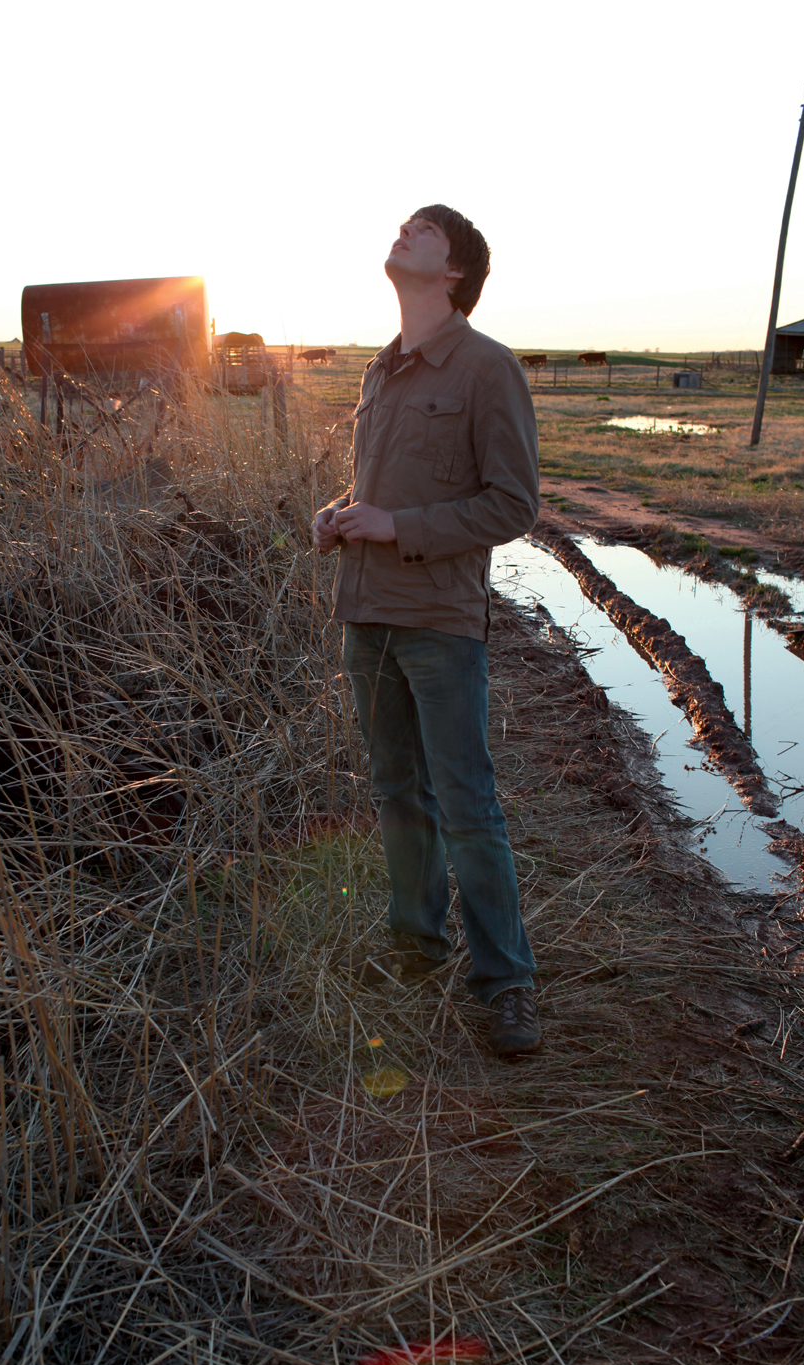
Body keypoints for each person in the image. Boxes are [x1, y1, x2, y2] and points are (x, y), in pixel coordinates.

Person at [312, 205, 541, 1055]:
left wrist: (396, 527)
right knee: (394, 793)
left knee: (467, 803)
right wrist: (339, 516)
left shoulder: (488, 369)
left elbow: (513, 505)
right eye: (403, 225)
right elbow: (384, 483)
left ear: (455, 272)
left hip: (440, 624)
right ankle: (416, 944)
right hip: (364, 614)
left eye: (423, 230)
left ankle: (507, 984)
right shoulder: (383, 369)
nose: (402, 233)